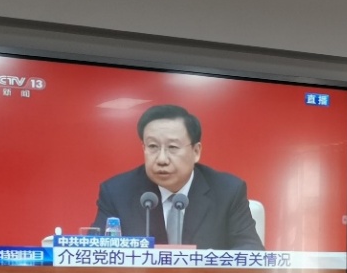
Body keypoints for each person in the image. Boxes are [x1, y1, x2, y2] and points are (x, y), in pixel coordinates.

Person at [92, 104, 264, 250]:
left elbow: (250, 251)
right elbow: (96, 252)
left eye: (173, 147)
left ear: (196, 151)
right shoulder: (117, 192)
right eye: (153, 146)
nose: (161, 159)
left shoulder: (227, 191)